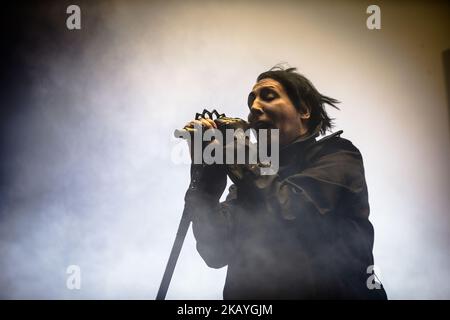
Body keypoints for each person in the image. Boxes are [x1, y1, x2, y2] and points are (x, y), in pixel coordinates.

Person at [182, 66, 387, 299]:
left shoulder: (338, 156)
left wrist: (236, 149)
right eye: (251, 103)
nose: (254, 108)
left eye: (268, 96)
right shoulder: (247, 181)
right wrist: (207, 182)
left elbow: (289, 210)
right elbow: (216, 251)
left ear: (304, 110)